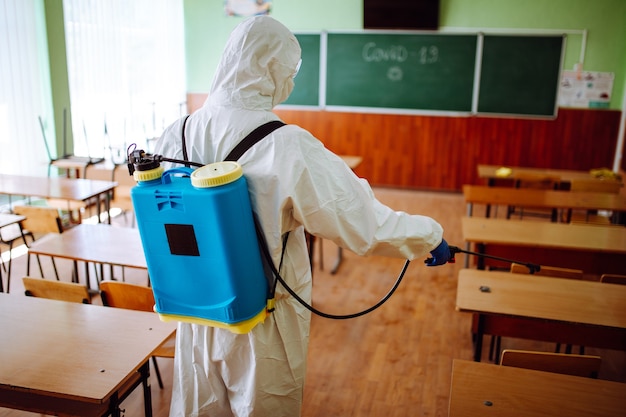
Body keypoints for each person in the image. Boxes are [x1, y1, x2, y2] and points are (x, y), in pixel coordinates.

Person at [154, 15, 451, 417]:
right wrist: (428, 235)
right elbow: (364, 223)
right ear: (271, 69)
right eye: (289, 72)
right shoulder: (287, 145)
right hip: (262, 322)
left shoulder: (176, 132)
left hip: (195, 309)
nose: (290, 82)